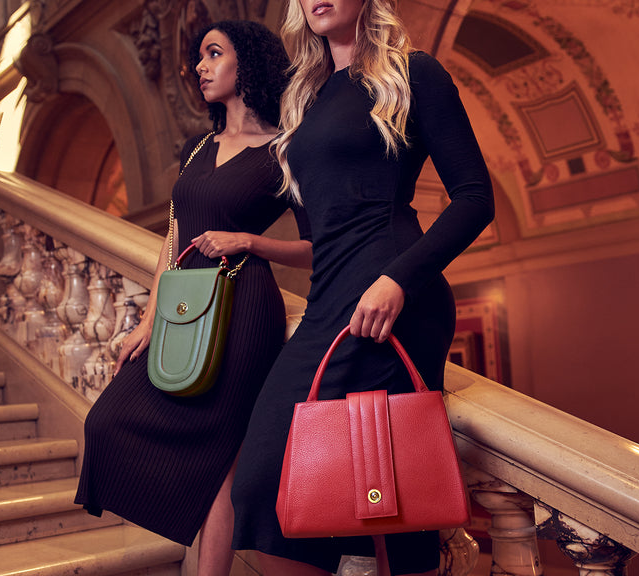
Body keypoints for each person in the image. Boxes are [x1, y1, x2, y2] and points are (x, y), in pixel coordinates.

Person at [230, 0, 494, 574]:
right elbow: (318, 226)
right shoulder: (304, 96)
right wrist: (249, 241)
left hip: (394, 295)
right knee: (268, 489)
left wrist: (398, 279)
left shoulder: (413, 72)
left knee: (390, 501)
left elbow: (475, 198)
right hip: (330, 297)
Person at [74, 20, 311, 576]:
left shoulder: (285, 151)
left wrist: (249, 241)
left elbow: (315, 246)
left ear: (245, 64)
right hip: (183, 305)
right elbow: (174, 238)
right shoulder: (198, 145)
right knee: (105, 422)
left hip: (244, 310)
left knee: (223, 462)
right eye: (199, 58)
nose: (200, 68)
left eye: (213, 54)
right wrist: (149, 320)